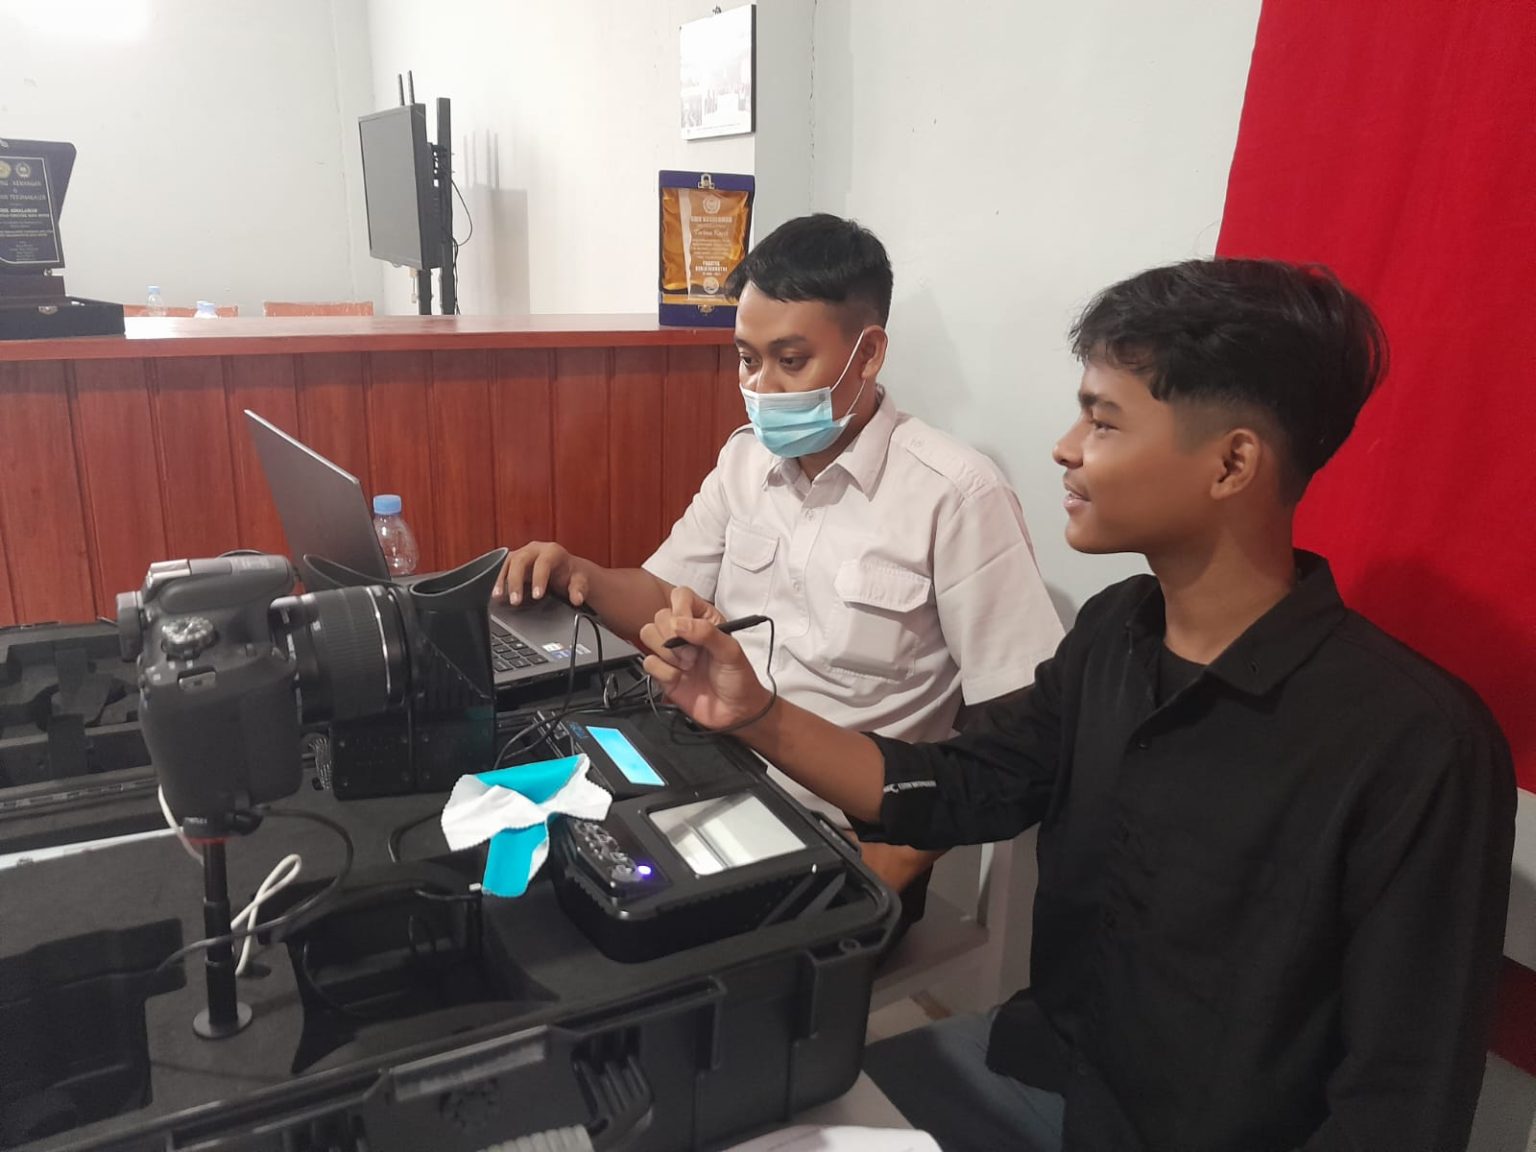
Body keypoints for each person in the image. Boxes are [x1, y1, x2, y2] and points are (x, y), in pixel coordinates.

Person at [634, 258, 1516, 1152]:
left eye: (1102, 420)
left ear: (1232, 463)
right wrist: (755, 713)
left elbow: (1398, 1104)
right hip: (1039, 1075)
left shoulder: (1414, 744)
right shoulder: (1115, 634)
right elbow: (962, 786)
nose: (1064, 447)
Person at [495, 214, 1062, 915]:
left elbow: (1017, 729)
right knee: (529, 866)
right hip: (708, 776)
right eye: (746, 360)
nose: (761, 387)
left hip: (846, 833)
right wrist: (576, 575)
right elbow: (664, 591)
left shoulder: (956, 495)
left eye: (791, 361)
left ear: (869, 353)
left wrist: (902, 854)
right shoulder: (746, 460)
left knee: (639, 944)